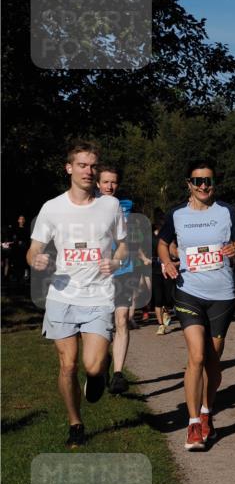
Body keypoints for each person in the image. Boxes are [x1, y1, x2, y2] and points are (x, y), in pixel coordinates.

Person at [26, 141, 127, 446]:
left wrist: (116, 260)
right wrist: (37, 260)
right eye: (82, 165)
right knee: (67, 365)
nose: (88, 170)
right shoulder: (52, 208)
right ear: (69, 168)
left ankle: (99, 372)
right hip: (62, 296)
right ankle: (75, 423)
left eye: (93, 165)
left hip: (98, 296)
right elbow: (33, 250)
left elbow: (123, 243)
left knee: (92, 365)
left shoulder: (110, 205)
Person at [158, 158, 235, 451]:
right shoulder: (177, 214)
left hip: (222, 294)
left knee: (213, 360)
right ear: (189, 184)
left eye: (208, 180)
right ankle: (193, 423)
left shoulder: (226, 212)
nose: (203, 186)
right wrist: (166, 261)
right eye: (197, 181)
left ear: (213, 183)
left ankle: (208, 411)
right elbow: (163, 241)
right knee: (196, 356)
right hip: (189, 291)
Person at [97, 166, 141, 395]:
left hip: (124, 270)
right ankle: (101, 362)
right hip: (97, 274)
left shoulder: (126, 205)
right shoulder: (88, 205)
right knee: (102, 324)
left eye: (113, 182)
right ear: (97, 184)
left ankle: (118, 374)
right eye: (105, 182)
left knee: (122, 319)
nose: (109, 186)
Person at [150, 212, 176, 334]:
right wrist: (144, 258)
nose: (160, 223)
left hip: (167, 267)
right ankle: (160, 325)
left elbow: (173, 250)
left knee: (168, 296)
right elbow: (141, 249)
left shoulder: (168, 236)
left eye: (162, 221)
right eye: (158, 221)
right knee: (158, 298)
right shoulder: (150, 236)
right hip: (154, 268)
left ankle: (166, 310)